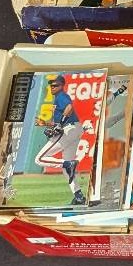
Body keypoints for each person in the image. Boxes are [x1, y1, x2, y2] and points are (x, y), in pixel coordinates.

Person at [34, 75, 86, 205]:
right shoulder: (57, 99)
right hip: (74, 130)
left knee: (39, 159)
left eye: (55, 85)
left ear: (62, 86)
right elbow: (57, 122)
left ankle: (69, 164)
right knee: (66, 168)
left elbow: (69, 108)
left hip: (69, 129)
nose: (52, 87)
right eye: (51, 85)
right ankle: (79, 196)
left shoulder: (61, 96)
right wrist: (45, 123)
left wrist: (60, 124)